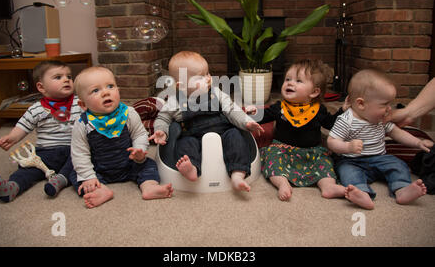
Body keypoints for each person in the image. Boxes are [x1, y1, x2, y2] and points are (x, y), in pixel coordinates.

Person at [149, 51, 264, 192]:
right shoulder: (175, 101)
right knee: (184, 144)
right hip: (192, 135)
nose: (208, 78)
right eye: (201, 77)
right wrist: (161, 131)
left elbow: (232, 109)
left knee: (236, 137)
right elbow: (163, 118)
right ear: (182, 85)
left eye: (208, 73)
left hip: (224, 132)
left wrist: (246, 122)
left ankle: (237, 174)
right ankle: (191, 169)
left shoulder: (217, 93)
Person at [327, 69, 433, 210]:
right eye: (384, 104)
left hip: (379, 158)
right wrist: (348, 147)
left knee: (398, 165)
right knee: (347, 172)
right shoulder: (346, 120)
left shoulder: (381, 119)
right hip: (351, 160)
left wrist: (418, 142)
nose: (389, 109)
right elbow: (331, 141)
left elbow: (397, 133)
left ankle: (401, 189)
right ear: (361, 104)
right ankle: (362, 193)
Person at [70, 66, 173, 209]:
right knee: (76, 174)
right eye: (96, 90)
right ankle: (101, 190)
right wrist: (89, 177)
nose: (105, 92)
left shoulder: (129, 113)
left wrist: (139, 150)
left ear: (118, 90)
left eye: (110, 86)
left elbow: (140, 134)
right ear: (83, 104)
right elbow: (80, 153)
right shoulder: (82, 124)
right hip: (98, 169)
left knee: (149, 165)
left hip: (129, 164)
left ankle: (149, 186)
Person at [249, 59, 348, 201]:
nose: (290, 83)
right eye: (288, 79)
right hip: (282, 150)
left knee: (325, 163)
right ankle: (282, 183)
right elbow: (262, 117)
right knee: (271, 158)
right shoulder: (280, 107)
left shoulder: (318, 110)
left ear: (314, 92)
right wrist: (250, 114)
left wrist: (342, 111)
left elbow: (331, 124)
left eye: (298, 81)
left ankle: (328, 186)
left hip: (312, 153)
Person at [0, 60, 81, 202]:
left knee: (81, 163)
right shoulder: (36, 109)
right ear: (41, 87)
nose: (66, 80)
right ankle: (12, 187)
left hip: (74, 149)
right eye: (58, 77)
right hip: (46, 152)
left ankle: (60, 180)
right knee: (28, 169)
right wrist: (12, 137)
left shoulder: (80, 102)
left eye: (69, 76)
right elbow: (24, 125)